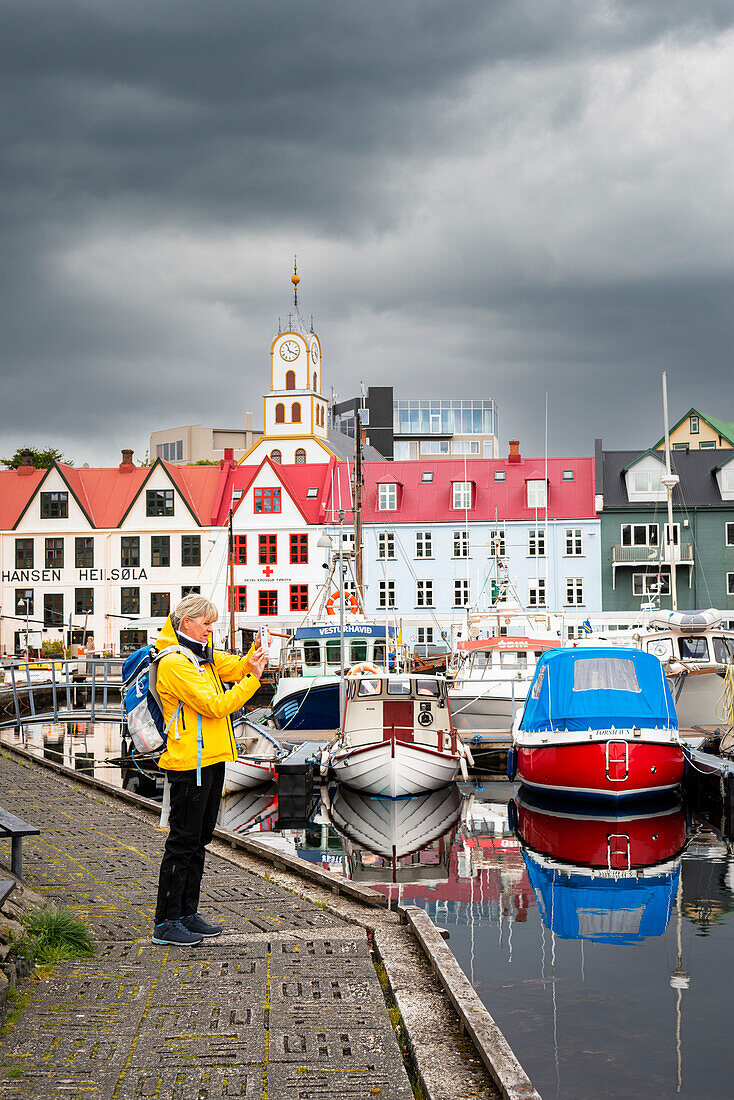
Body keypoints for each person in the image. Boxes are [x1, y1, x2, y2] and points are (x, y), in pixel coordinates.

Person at [152, 594, 267, 946]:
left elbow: (231, 666)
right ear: (186, 622)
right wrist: (254, 680)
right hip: (190, 764)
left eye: (212, 623)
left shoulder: (200, 654)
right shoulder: (175, 662)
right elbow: (216, 705)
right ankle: (165, 922)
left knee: (199, 840)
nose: (210, 630)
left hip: (211, 759)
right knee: (182, 841)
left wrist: (253, 657)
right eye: (206, 623)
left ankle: (187, 913)